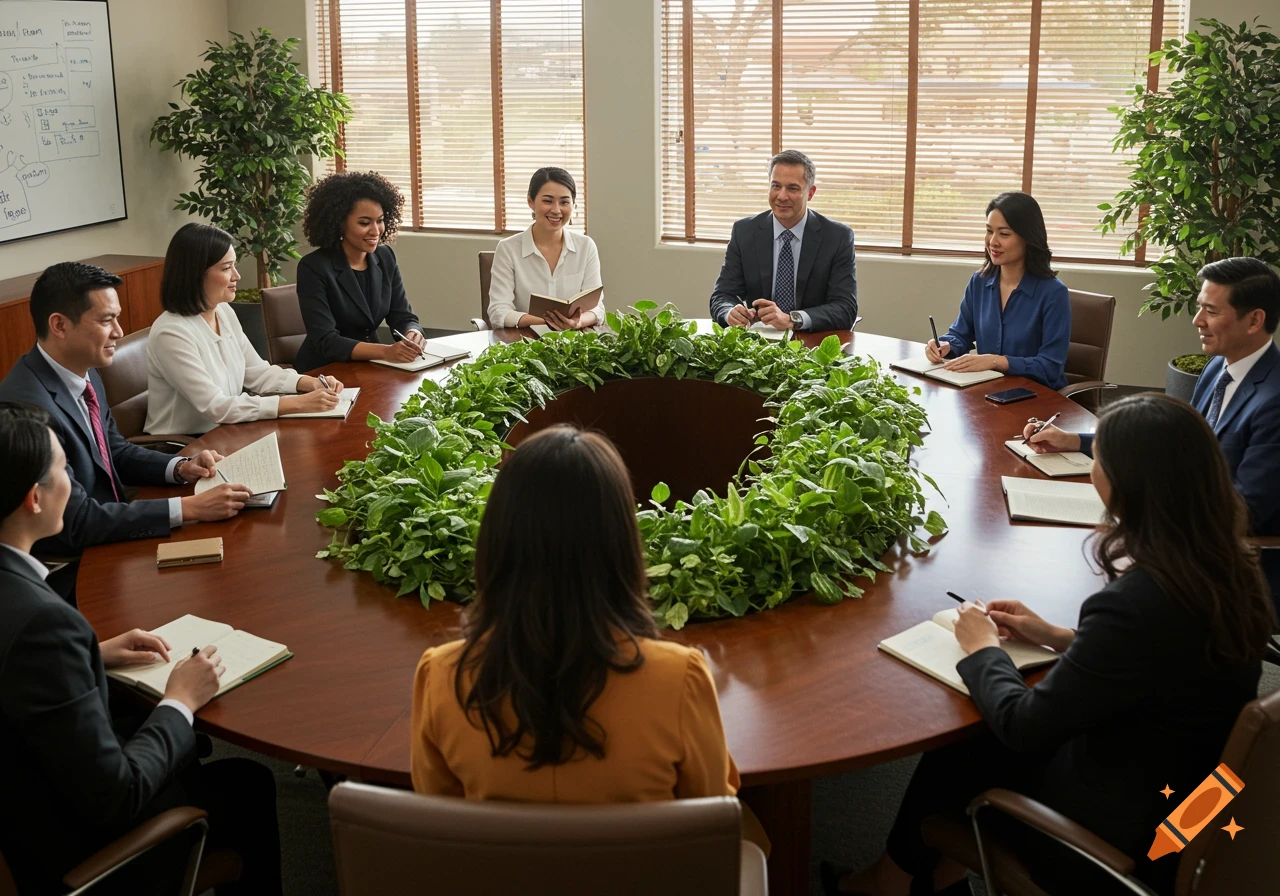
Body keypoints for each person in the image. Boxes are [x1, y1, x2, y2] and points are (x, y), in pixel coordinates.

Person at [823, 393, 1274, 896]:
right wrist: (1053, 635)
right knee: (979, 731)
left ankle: (889, 883)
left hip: (1124, 838)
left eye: (1097, 458)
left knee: (972, 738)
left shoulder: (1137, 600)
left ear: (1128, 485)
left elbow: (1025, 726)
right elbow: (1160, 658)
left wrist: (983, 647)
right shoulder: (1230, 571)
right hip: (1187, 799)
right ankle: (930, 878)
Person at [411, 425, 766, 840]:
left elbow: (438, 828)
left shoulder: (442, 677)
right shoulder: (680, 679)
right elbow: (713, 819)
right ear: (622, 543)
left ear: (498, 539)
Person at [0, 402, 282, 896]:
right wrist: (181, 699)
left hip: (31, 800)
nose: (74, 483)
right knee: (246, 785)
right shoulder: (42, 624)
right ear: (33, 500)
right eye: (66, 469)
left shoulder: (24, 606)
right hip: (81, 850)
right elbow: (120, 794)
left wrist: (94, 652)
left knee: (181, 746)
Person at [1025, 257, 1280, 606]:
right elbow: (1175, 450)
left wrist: (1149, 514)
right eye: (1198, 308)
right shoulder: (1218, 368)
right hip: (1181, 538)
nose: (1197, 321)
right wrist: (1074, 441)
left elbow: (1247, 511)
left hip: (1235, 563)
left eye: (1211, 311)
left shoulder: (1274, 401)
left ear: (1254, 320)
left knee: (1095, 589)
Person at [0, 262, 253, 601]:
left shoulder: (81, 371)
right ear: (59, 325)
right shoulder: (29, 409)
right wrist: (190, 508)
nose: (119, 331)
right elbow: (76, 522)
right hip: (71, 570)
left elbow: (113, 449)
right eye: (106, 320)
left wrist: (180, 468)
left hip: (115, 534)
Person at [145, 223, 346, 435]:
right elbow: (217, 407)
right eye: (226, 268)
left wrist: (310, 383)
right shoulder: (171, 333)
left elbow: (256, 372)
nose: (236, 276)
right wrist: (298, 404)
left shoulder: (223, 311)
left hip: (225, 431)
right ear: (194, 274)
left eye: (234, 265)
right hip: (185, 446)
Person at [924, 192, 1071, 390]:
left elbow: (1051, 367)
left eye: (1004, 234)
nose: (993, 241)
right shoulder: (979, 282)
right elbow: (961, 333)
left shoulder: (1053, 293)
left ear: (1027, 238)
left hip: (1037, 398)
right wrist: (944, 345)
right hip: (990, 392)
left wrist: (996, 361)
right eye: (989, 231)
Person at [709, 149, 857, 333]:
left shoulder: (837, 237)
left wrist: (793, 319)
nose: (781, 196)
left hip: (813, 342)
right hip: (758, 343)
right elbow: (722, 295)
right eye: (776, 186)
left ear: (810, 193)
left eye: (792, 188)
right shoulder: (744, 232)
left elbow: (845, 308)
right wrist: (729, 312)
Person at [293, 170, 427, 373]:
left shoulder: (385, 257)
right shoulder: (314, 267)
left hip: (372, 366)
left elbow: (402, 315)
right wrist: (385, 352)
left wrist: (412, 332)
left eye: (380, 220)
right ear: (339, 223)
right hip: (325, 371)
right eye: (364, 223)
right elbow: (326, 340)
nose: (376, 231)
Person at [487, 167, 604, 331]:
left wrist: (577, 323)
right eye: (548, 201)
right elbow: (499, 311)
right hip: (524, 342)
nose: (556, 210)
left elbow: (597, 309)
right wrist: (547, 323)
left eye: (564, 202)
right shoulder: (508, 249)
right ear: (531, 202)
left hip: (574, 341)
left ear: (573, 204)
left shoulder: (586, 246)